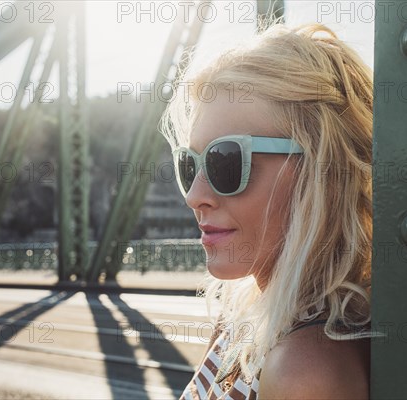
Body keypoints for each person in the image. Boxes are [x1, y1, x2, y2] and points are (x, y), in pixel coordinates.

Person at [161, 21, 379, 400]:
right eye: (189, 165)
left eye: (225, 161)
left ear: (321, 172)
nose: (194, 195)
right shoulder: (247, 316)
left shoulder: (305, 371)